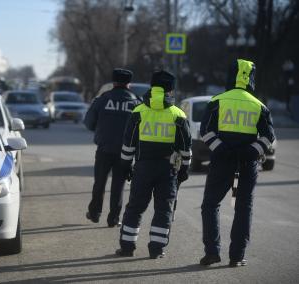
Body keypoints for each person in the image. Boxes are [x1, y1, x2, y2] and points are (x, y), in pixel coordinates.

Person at [199, 59, 276, 267]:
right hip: (247, 164)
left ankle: (212, 252)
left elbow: (205, 131)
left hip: (221, 162)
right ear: (251, 79)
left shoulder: (217, 100)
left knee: (210, 205)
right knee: (243, 207)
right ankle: (237, 256)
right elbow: (269, 137)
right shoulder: (259, 105)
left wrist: (222, 148)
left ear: (230, 76)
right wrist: (251, 152)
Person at [115, 70, 192, 258]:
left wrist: (125, 167)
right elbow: (185, 147)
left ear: (152, 87)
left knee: (135, 207)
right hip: (168, 170)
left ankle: (127, 247)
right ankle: (156, 250)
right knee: (164, 209)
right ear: (170, 91)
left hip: (142, 168)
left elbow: (128, 144)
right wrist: (184, 169)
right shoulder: (178, 114)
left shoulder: (139, 111)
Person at [84, 68, 140, 227]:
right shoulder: (136, 102)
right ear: (129, 83)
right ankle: (113, 218)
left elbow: (88, 123)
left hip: (104, 148)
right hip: (125, 152)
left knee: (99, 182)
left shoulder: (103, 99)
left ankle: (95, 213)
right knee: (118, 185)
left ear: (114, 82)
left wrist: (101, 129)